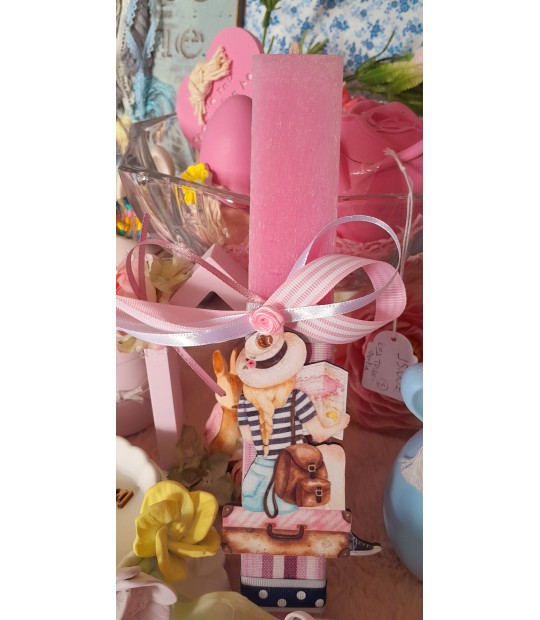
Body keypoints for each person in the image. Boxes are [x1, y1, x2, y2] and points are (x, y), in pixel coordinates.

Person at [236, 331, 350, 513]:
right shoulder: (297, 398)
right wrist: (341, 423)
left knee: (255, 519)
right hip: (288, 477)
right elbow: (319, 435)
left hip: (255, 479)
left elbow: (248, 438)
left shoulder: (244, 401)